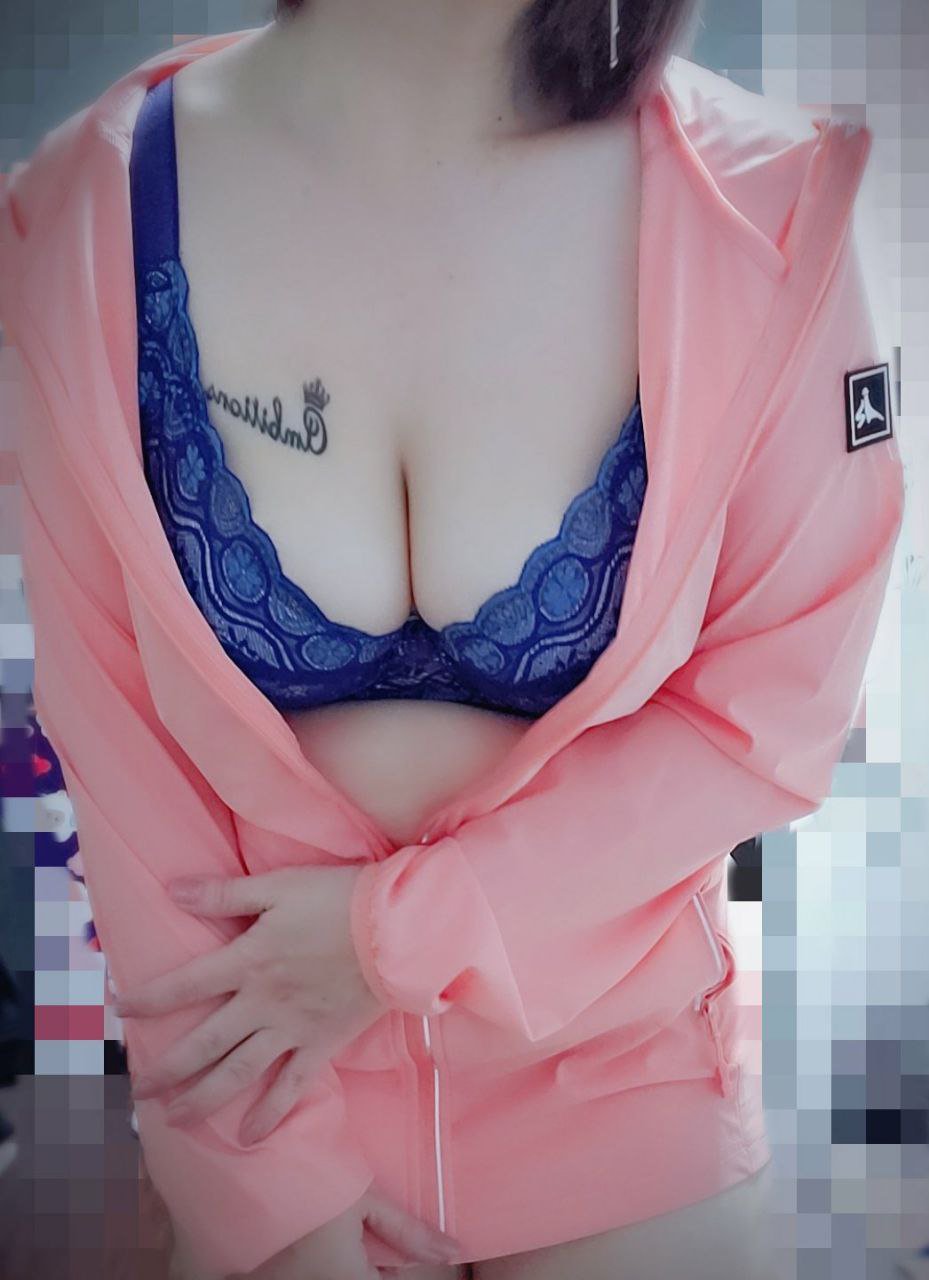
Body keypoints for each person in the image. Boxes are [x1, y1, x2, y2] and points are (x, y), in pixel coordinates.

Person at [0, 2, 905, 1279]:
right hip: (261, 1086)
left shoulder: (772, 208)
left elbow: (775, 704)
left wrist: (397, 937)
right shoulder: (85, 210)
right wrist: (271, 1193)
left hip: (621, 1096)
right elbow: (112, 734)